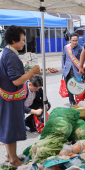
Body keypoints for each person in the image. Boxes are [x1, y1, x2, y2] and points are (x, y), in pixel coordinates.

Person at [0, 25, 40, 167]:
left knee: (7, 126)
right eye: (22, 40)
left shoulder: (7, 52)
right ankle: (13, 160)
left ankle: (10, 155)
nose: (24, 42)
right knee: (10, 127)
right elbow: (16, 80)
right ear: (13, 40)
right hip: (10, 98)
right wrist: (32, 72)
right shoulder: (10, 55)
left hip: (7, 96)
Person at [62, 33, 85, 106]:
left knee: (77, 85)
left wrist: (84, 65)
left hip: (77, 70)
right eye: (73, 40)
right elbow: (63, 56)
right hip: (67, 70)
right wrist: (63, 67)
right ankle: (71, 101)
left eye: (76, 40)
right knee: (69, 86)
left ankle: (78, 100)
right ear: (70, 40)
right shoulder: (66, 47)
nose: (75, 42)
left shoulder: (81, 48)